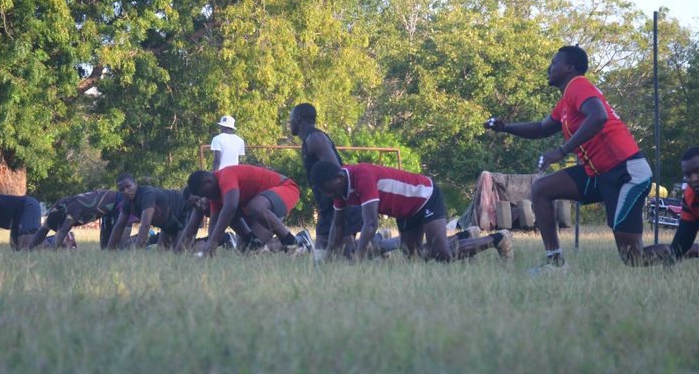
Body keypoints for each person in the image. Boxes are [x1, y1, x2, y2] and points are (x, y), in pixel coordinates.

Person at [485, 45, 670, 272]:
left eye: (554, 63)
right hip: (599, 172)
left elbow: (599, 116)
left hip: (626, 172)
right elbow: (542, 128)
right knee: (542, 188)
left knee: (633, 257)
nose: (549, 68)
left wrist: (562, 151)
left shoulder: (578, 85)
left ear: (569, 67)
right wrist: (505, 128)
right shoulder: (565, 101)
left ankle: (686, 250)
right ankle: (555, 264)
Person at [310, 161, 513, 261]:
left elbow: (371, 224)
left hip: (425, 197)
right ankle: (465, 236)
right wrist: (328, 257)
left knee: (442, 255)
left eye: (327, 189)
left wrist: (358, 258)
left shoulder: (362, 176)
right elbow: (337, 225)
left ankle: (497, 239)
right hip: (405, 212)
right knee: (415, 257)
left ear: (338, 178)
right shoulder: (338, 189)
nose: (327, 194)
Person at [290, 103, 386, 259]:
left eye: (291, 119)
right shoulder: (308, 140)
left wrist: (339, 206)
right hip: (325, 205)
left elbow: (337, 173)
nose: (289, 123)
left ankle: (382, 243)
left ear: (299, 119)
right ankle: (377, 241)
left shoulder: (315, 138)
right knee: (321, 255)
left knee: (346, 255)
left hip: (337, 203)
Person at [180, 165, 312, 256]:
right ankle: (300, 240)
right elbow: (213, 225)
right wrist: (207, 249)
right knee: (247, 251)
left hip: (285, 189)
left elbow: (231, 207)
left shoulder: (226, 176)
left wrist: (212, 243)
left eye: (206, 194)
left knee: (251, 207)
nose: (207, 199)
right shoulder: (215, 196)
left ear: (209, 181)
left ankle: (292, 242)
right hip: (260, 209)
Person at [105, 174, 206, 250]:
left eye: (128, 186)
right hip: (168, 224)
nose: (126, 191)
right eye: (122, 189)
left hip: (184, 211)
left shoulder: (147, 194)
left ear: (135, 183)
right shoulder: (127, 202)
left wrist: (137, 251)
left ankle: (205, 244)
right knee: (162, 251)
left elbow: (145, 225)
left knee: (181, 250)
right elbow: (119, 225)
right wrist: (109, 250)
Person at [26, 190, 122, 250]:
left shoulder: (72, 211)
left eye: (57, 227)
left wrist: (52, 253)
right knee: (105, 248)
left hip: (117, 202)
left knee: (116, 246)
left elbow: (62, 231)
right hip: (107, 207)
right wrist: (30, 249)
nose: (57, 229)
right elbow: (43, 230)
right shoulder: (56, 208)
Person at [669, 146, 699, 259]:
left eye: (698, 171)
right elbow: (681, 242)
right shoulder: (690, 197)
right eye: (688, 175)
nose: (694, 179)